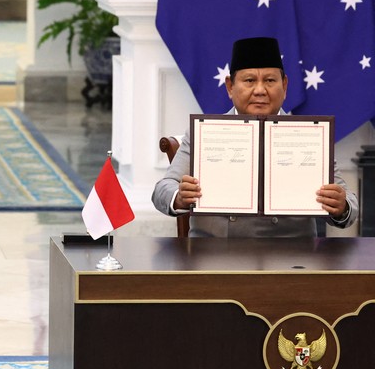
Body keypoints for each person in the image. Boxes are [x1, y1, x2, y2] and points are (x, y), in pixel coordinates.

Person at [151, 36, 358, 237]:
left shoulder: (309, 134)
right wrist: (179, 197)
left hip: (292, 257)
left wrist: (341, 206)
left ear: (284, 86)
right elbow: (162, 190)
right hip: (216, 256)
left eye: (269, 80)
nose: (260, 90)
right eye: (249, 80)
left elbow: (350, 204)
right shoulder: (205, 132)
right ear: (230, 87)